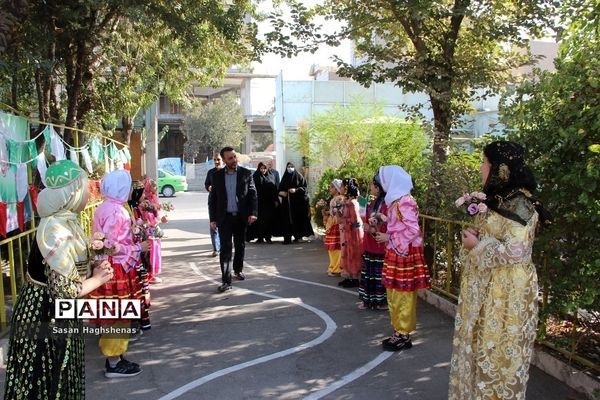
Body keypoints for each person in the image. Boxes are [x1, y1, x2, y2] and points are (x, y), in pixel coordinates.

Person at [3, 159, 114, 399]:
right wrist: (97, 279)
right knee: (46, 382)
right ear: (72, 193)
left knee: (61, 378)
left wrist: (94, 259)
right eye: (85, 188)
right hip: (44, 316)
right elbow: (63, 290)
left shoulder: (65, 221)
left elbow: (71, 265)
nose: (89, 193)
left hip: (58, 313)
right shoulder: (55, 229)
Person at [448, 141, 550, 400]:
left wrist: (478, 245)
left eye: (484, 162)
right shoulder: (496, 198)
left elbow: (517, 252)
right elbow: (490, 237)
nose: (481, 168)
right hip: (483, 289)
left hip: (504, 296)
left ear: (501, 169)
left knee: (497, 354)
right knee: (476, 348)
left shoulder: (522, 205)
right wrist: (474, 238)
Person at [89, 169, 148, 378]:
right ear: (121, 189)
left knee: (115, 314)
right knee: (118, 315)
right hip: (117, 269)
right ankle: (113, 363)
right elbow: (111, 245)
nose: (131, 190)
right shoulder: (117, 211)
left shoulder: (104, 207)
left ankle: (116, 356)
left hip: (107, 267)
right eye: (129, 186)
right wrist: (138, 247)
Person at [375, 165, 431, 351]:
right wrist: (384, 219)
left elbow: (413, 230)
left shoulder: (403, 201)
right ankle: (398, 331)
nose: (381, 184)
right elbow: (399, 224)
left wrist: (389, 237)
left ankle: (403, 334)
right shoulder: (397, 201)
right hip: (397, 252)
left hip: (403, 254)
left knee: (403, 294)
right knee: (394, 292)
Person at [208, 146, 258, 292]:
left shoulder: (246, 174)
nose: (234, 160)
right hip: (224, 218)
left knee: (240, 245)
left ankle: (238, 269)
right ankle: (226, 280)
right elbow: (213, 199)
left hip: (241, 217)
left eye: (234, 157)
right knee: (225, 249)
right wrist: (212, 219)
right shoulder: (216, 176)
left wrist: (253, 212)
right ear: (224, 160)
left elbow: (253, 195)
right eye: (230, 158)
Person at [358, 173, 388, 309]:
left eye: (372, 184)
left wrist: (371, 229)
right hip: (370, 244)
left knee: (378, 274)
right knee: (369, 274)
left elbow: (385, 226)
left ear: (378, 187)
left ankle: (380, 302)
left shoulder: (386, 204)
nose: (370, 186)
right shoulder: (374, 202)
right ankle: (369, 300)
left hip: (379, 245)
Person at [278, 162, 314, 244]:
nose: (290, 168)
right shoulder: (284, 177)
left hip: (297, 205)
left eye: (292, 166)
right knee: (286, 221)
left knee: (297, 220)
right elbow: (279, 189)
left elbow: (305, 189)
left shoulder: (299, 177)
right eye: (288, 166)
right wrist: (281, 193)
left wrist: (296, 190)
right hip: (286, 204)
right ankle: (287, 238)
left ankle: (298, 236)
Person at [337, 178, 364, 287]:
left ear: (347, 188)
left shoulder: (352, 203)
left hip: (353, 233)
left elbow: (356, 221)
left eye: (343, 186)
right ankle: (348, 276)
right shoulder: (346, 202)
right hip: (347, 232)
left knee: (353, 254)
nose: (341, 188)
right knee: (346, 254)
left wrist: (343, 219)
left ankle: (354, 278)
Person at [247, 162, 279, 243]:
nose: (263, 170)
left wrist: (276, 200)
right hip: (259, 203)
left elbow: (274, 189)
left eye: (265, 168)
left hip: (269, 203)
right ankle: (260, 237)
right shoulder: (255, 177)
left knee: (269, 220)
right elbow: (252, 190)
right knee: (259, 221)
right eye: (261, 168)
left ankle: (268, 237)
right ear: (259, 168)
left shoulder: (271, 176)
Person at [323, 179, 344, 276]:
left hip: (335, 226)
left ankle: (336, 269)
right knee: (334, 249)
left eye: (332, 187)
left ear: (336, 188)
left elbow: (336, 214)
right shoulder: (339, 198)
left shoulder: (338, 199)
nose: (330, 189)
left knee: (335, 248)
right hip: (334, 225)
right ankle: (334, 267)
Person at [205, 152, 223, 257]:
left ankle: (222, 246)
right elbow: (206, 184)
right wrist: (209, 187)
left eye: (218, 159)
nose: (216, 162)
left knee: (223, 226)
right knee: (213, 225)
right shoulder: (210, 172)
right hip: (213, 202)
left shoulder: (227, 172)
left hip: (224, 204)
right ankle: (216, 248)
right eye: (215, 160)